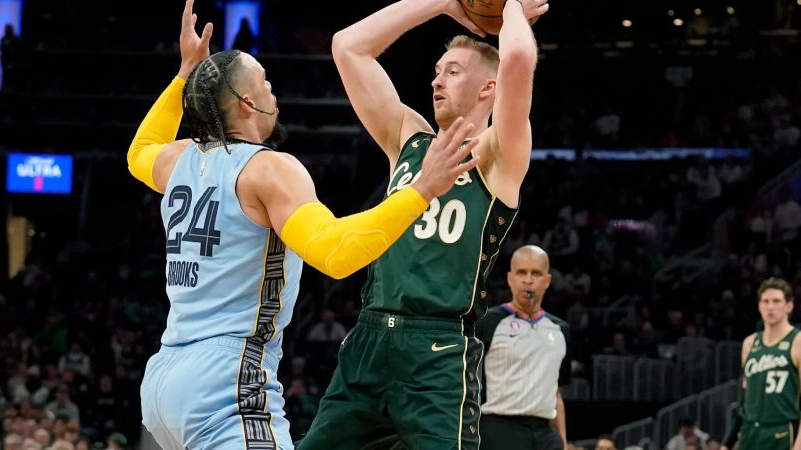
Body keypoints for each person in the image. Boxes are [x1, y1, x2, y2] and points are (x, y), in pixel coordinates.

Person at [129, 1, 480, 449]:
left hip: (164, 378)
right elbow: (335, 254)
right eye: (265, 81)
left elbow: (139, 149)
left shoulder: (176, 160)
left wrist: (185, 74)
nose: (274, 88)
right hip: (225, 380)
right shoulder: (269, 170)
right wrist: (421, 190)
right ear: (248, 102)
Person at [297, 0, 549, 448]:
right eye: (436, 70)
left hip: (438, 353)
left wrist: (509, 7)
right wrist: (444, 3)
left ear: (488, 87)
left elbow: (515, 59)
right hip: (369, 340)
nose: (436, 79)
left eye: (452, 70)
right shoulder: (407, 140)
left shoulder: (497, 155)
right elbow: (348, 47)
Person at [475, 245, 570, 450]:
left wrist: (562, 441)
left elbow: (556, 393)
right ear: (510, 279)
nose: (528, 280)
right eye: (521, 273)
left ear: (547, 281)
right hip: (499, 430)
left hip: (545, 434)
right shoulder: (487, 322)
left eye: (536, 273)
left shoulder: (561, 330)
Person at [722, 277, 801, 450]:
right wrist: (728, 442)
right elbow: (744, 398)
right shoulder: (749, 343)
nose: (770, 306)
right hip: (750, 432)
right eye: (765, 301)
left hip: (782, 430)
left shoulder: (797, 341)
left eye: (776, 301)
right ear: (759, 306)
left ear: (789, 305)